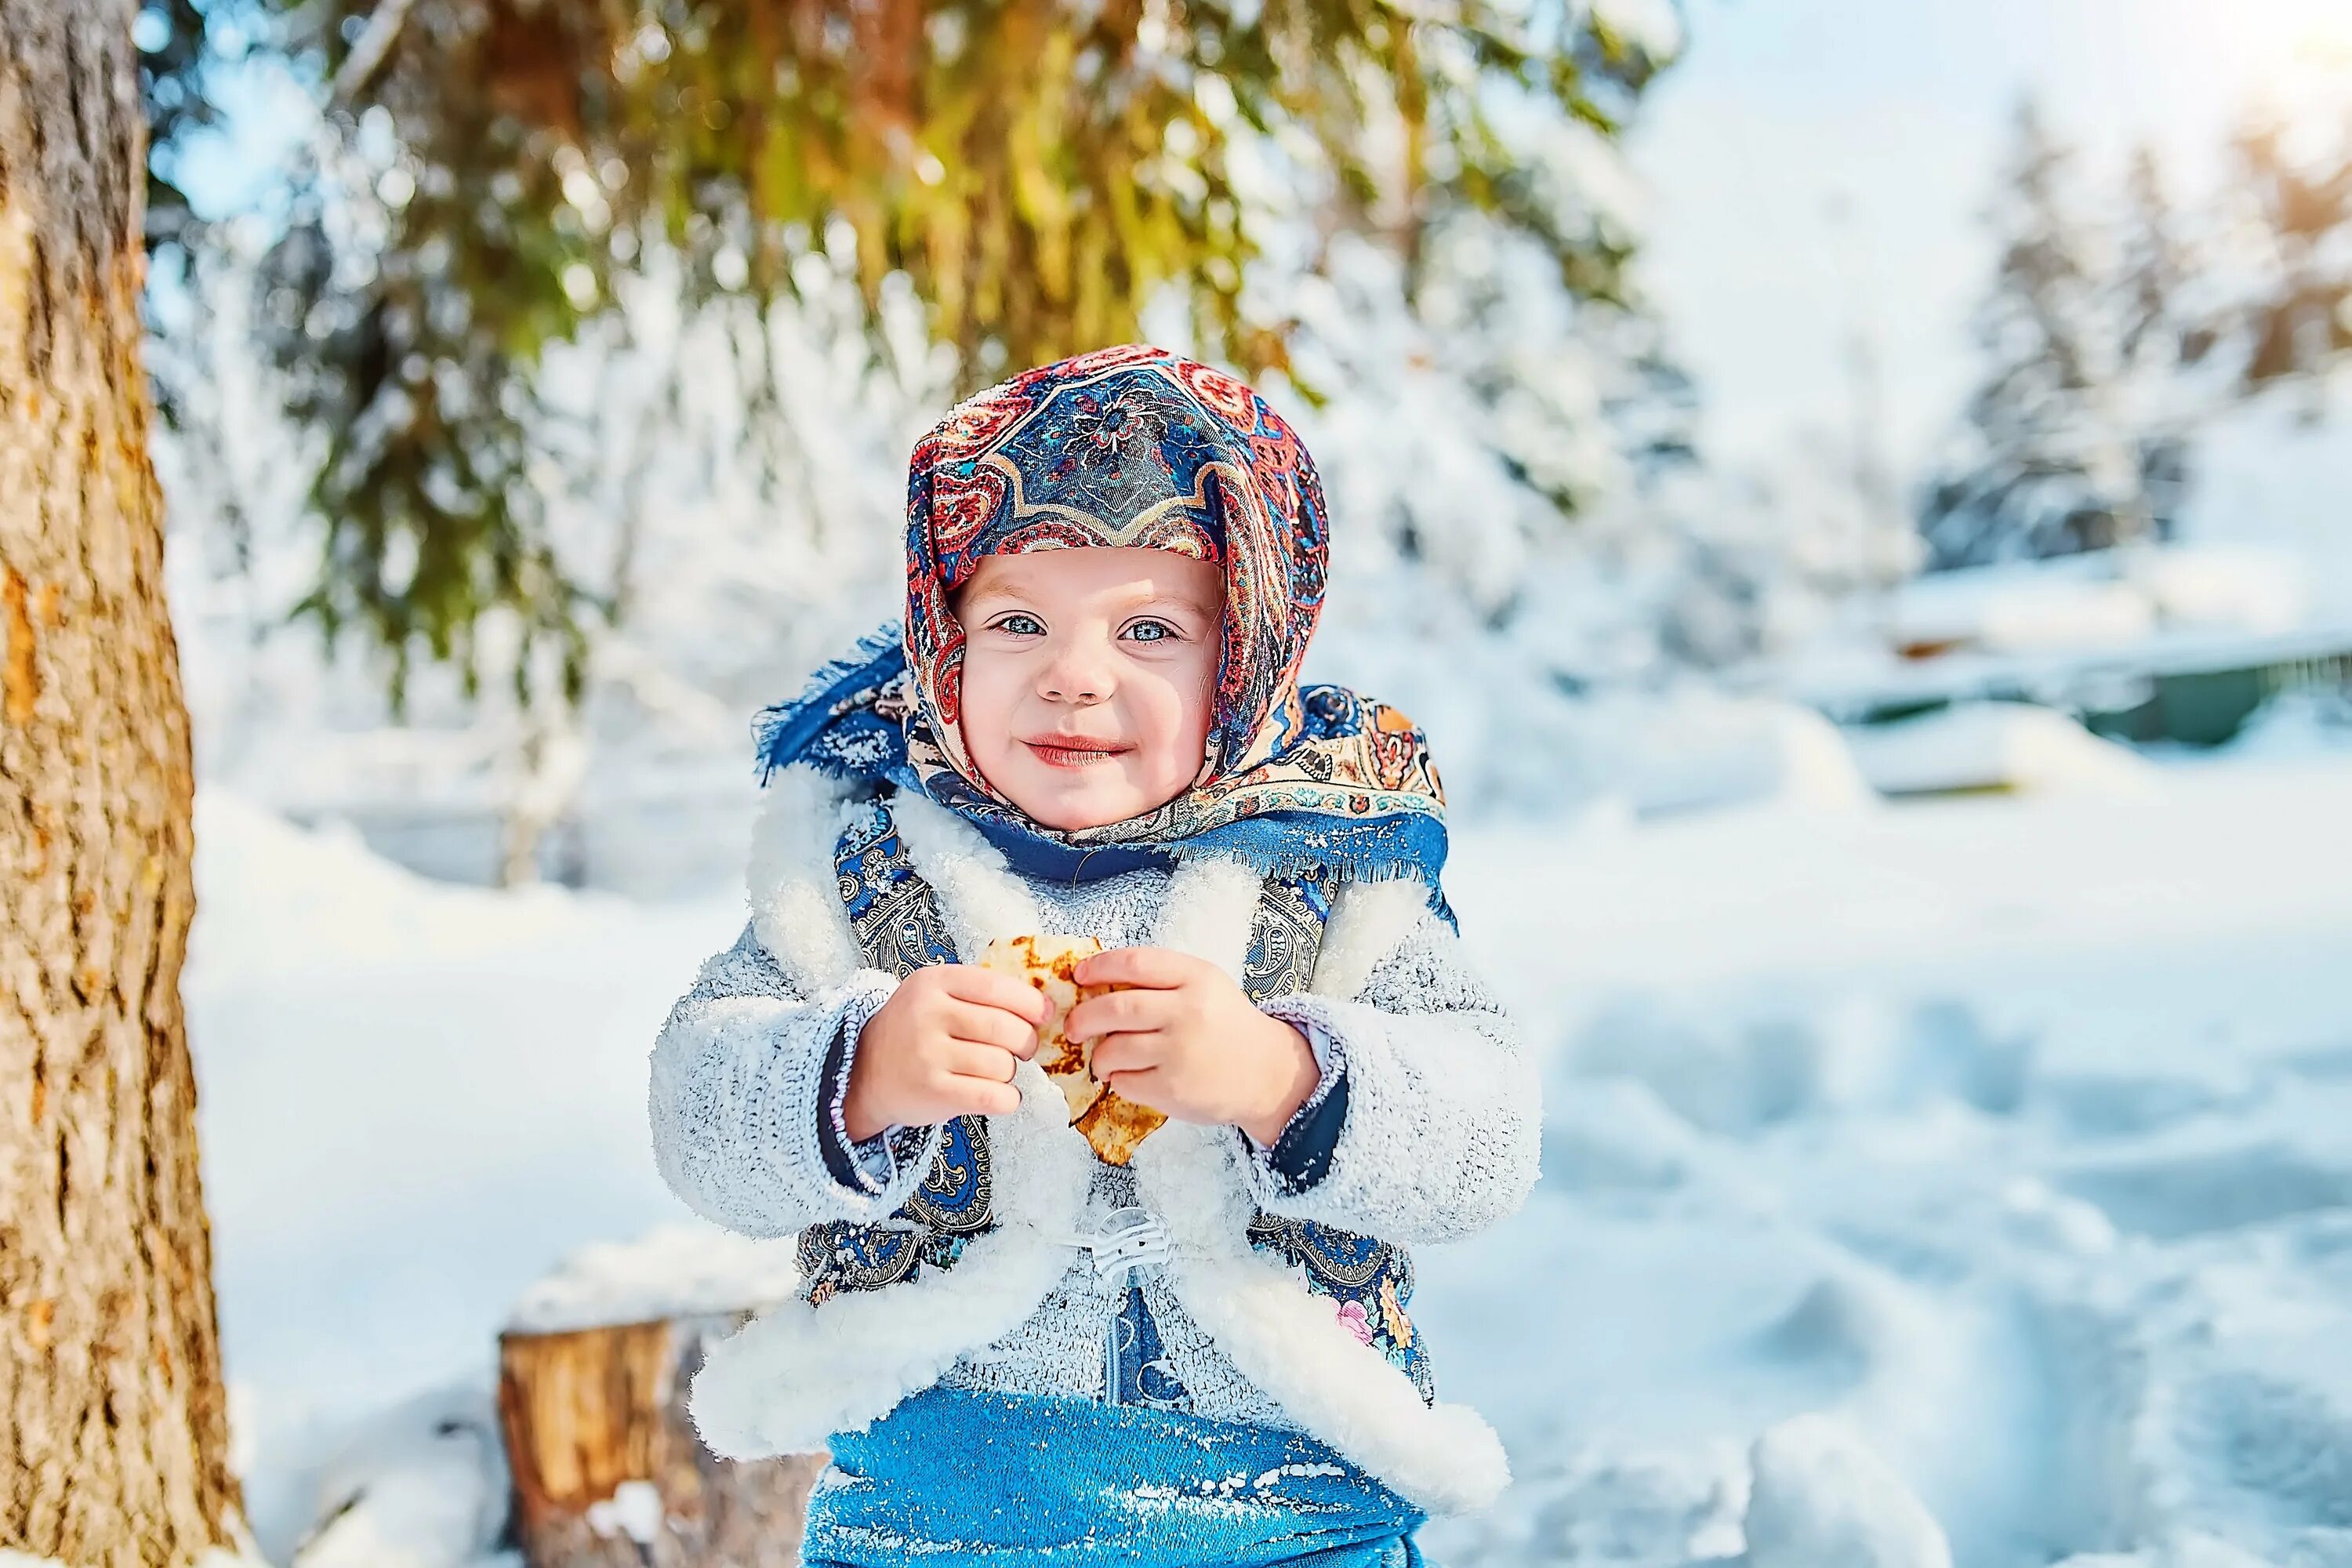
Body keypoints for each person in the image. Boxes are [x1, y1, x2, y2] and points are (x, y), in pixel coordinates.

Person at [648, 343, 1540, 1566]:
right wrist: (856, 1075)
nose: (1074, 677)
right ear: (945, 638)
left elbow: (1490, 1139)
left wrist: (1284, 1077)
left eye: (1149, 630)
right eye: (1018, 621)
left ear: (1247, 653)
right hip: (938, 1517)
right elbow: (696, 1110)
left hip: (1289, 1512)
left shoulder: (1336, 877)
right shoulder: (856, 879)